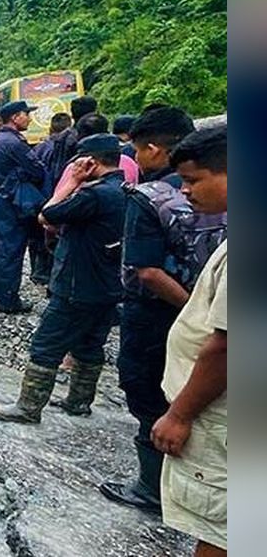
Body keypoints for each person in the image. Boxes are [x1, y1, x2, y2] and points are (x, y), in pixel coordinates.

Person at [99, 107, 225, 514]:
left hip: (159, 316)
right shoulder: (217, 198)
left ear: (153, 148)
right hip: (206, 315)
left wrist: (195, 314)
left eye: (137, 150)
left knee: (148, 392)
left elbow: (147, 271)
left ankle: (153, 486)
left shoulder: (149, 198)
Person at [0, 134, 127, 423]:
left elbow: (48, 214)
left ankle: (28, 408)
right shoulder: (124, 190)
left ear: (90, 161)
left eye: (79, 160)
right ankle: (79, 401)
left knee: (46, 344)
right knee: (90, 344)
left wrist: (71, 183)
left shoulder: (93, 196)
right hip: (107, 284)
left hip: (76, 284)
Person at [152, 127, 227, 556]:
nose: (184, 191)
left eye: (193, 180)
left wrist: (180, 413)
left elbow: (228, 345)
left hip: (220, 418)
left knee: (224, 523)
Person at [0, 100, 47, 313]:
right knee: (11, 249)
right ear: (16, 117)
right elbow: (37, 170)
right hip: (10, 201)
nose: (29, 118)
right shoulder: (15, 143)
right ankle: (7, 300)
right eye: (26, 114)